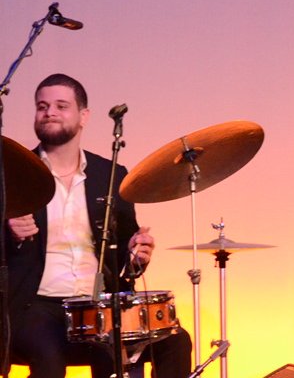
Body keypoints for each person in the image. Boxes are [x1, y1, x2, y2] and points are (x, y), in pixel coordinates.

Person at [4, 73, 192, 378]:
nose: (49, 112)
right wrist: (8, 230)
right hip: (35, 305)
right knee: (49, 355)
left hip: (99, 304)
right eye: (42, 106)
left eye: (61, 106)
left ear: (84, 116)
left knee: (175, 340)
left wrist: (137, 256)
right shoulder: (14, 172)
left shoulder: (111, 174)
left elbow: (124, 251)